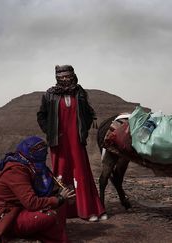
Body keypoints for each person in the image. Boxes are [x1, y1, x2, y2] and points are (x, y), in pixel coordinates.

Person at [37, 65, 106, 222]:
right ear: (57, 78)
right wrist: (49, 131)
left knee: (80, 172)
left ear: (73, 76)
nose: (65, 80)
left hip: (76, 140)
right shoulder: (49, 94)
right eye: (61, 77)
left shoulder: (80, 92)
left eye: (68, 77)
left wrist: (84, 129)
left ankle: (86, 209)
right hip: (58, 141)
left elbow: (88, 112)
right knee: (60, 172)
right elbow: (41, 115)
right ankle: (60, 210)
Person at [0, 136, 75, 243]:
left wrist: (61, 193)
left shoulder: (31, 165)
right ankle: (10, 234)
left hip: (21, 210)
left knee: (58, 206)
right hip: (8, 216)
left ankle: (41, 234)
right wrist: (58, 199)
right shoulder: (16, 171)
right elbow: (31, 203)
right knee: (48, 215)